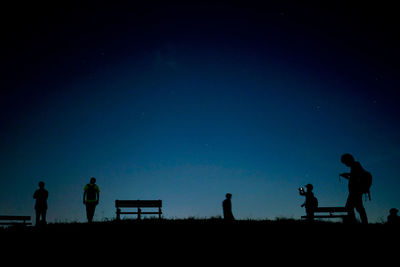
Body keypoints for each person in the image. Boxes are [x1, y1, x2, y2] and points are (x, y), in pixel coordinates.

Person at [339, 153, 368, 224]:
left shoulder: (356, 165)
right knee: (358, 207)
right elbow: (355, 178)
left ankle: (354, 222)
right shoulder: (355, 166)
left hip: (355, 192)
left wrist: (347, 175)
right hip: (355, 191)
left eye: (345, 162)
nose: (345, 164)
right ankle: (359, 222)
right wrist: (348, 175)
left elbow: (356, 177)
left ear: (348, 160)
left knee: (350, 207)